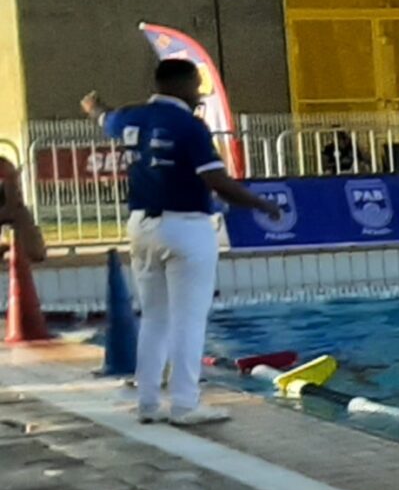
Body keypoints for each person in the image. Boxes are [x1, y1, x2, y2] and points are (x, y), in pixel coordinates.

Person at [81, 62, 281, 424]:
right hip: (186, 227)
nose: (199, 93)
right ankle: (185, 405)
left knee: (155, 318)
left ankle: (147, 403)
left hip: (141, 226)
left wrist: (93, 106)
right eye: (196, 85)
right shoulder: (190, 126)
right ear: (183, 84)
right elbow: (218, 183)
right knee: (188, 321)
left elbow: (103, 117)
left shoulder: (130, 118)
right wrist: (262, 204)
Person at [0, 153, 44, 266]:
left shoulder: (5, 167)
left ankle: (33, 248)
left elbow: (13, 204)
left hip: (7, 206)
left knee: (21, 214)